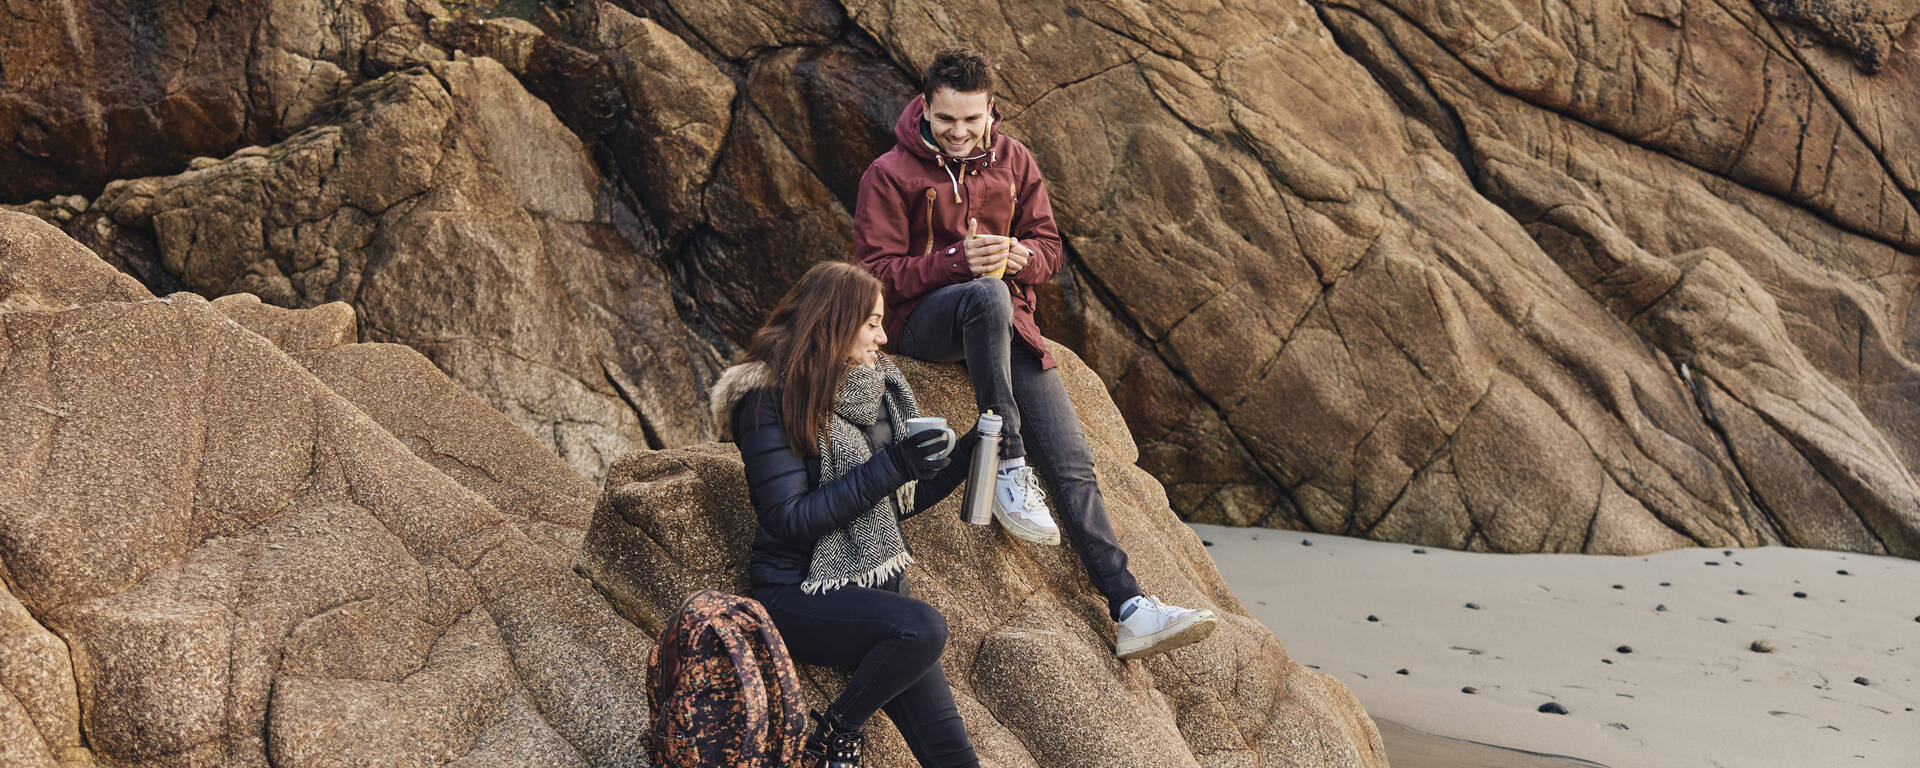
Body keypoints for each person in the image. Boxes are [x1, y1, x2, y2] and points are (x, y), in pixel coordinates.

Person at [854, 47, 1216, 660]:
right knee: (986, 293)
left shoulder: (1016, 159)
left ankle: (1130, 607)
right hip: (925, 323)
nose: (960, 133)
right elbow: (873, 273)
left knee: (1074, 464)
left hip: (1008, 321)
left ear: (991, 110)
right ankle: (1009, 462)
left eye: (973, 120)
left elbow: (1048, 242)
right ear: (925, 109)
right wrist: (952, 263)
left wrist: (1027, 258)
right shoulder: (888, 174)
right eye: (947, 120)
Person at [711, 260, 979, 768]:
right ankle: (835, 731)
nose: (882, 338)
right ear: (835, 322)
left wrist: (966, 452)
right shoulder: (768, 401)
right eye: (873, 323)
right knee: (924, 628)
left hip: (877, 597)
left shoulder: (866, 395)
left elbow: (898, 503)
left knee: (955, 759)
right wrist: (895, 463)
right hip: (797, 593)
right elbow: (788, 517)